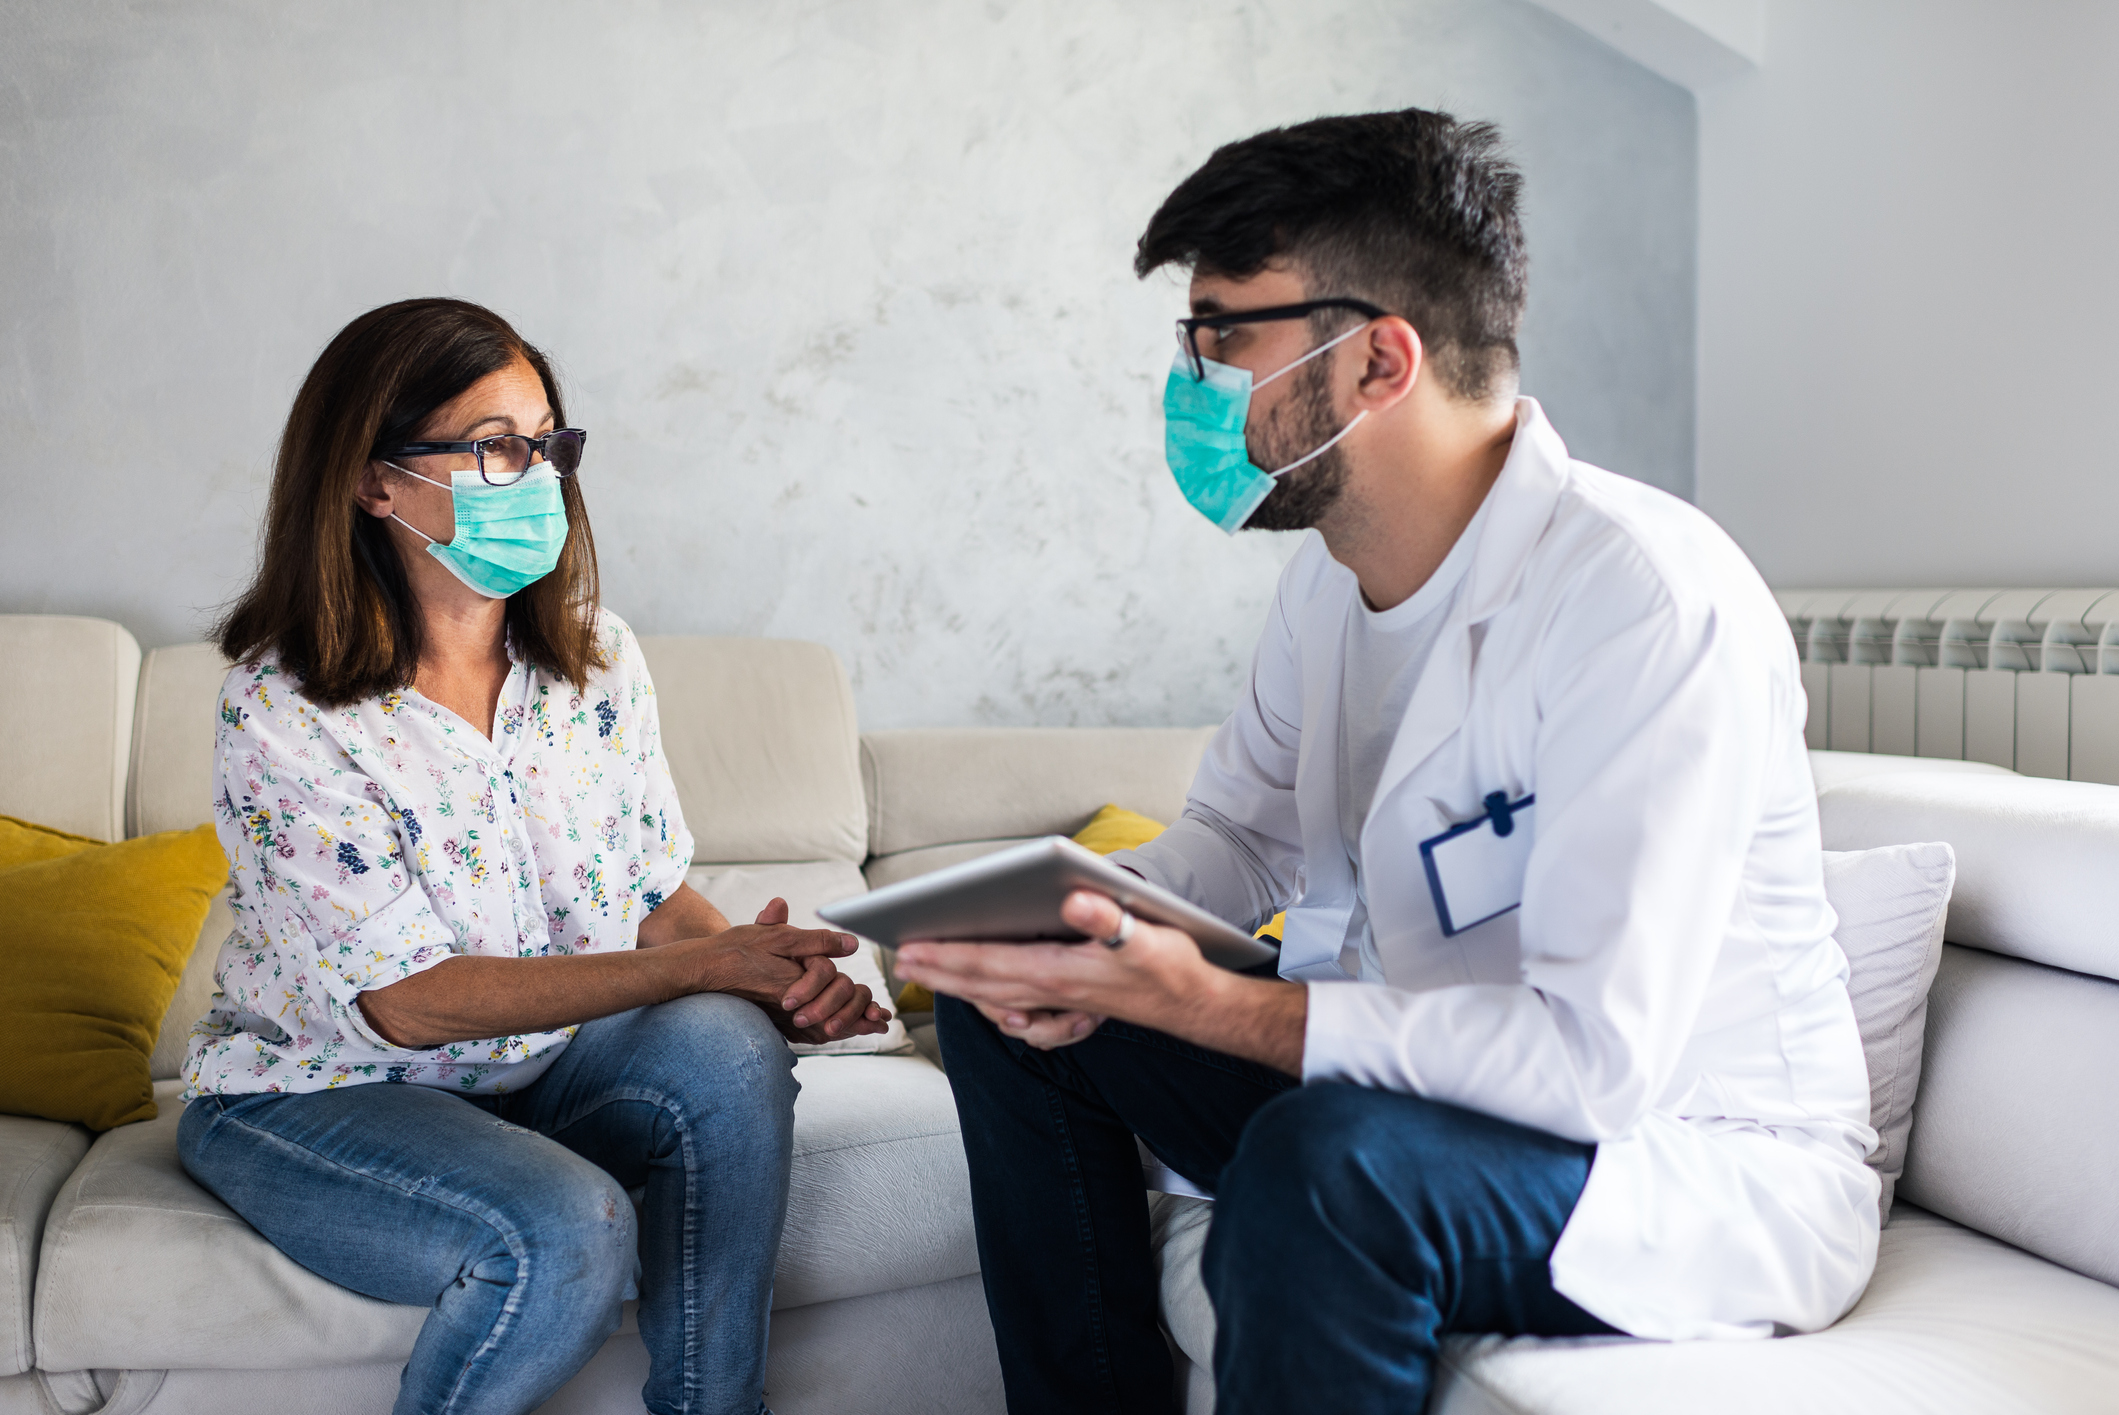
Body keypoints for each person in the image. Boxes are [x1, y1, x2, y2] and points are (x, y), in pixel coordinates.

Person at [895, 109, 1878, 1414]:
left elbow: (1593, 1063)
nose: (1190, 382)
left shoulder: (1642, 599)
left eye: (1221, 335)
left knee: (1328, 1161)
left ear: (1376, 360)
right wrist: (1050, 918)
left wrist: (1205, 1002)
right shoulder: (1328, 586)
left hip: (1673, 1159)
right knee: (1006, 1010)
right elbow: (1232, 838)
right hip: (1417, 1101)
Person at [177, 297, 891, 1415]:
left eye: (547, 442)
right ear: (375, 482)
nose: (540, 475)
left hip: (535, 1073)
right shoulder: (282, 708)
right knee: (567, 1223)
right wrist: (705, 968)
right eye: (493, 446)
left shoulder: (598, 660)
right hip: (320, 1094)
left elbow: (652, 897)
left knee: (730, 1039)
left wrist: (780, 974)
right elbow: (407, 1003)